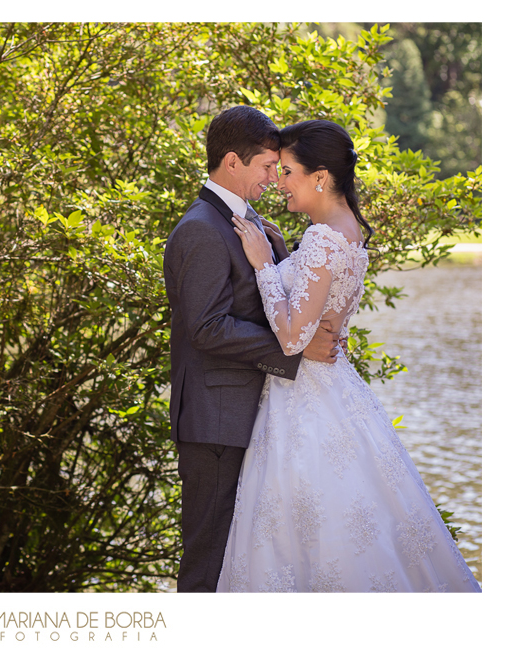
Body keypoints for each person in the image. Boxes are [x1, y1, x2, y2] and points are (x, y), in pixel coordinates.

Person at [217, 119, 481, 592]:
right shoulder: (348, 231)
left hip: (304, 403)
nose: (279, 183)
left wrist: (262, 266)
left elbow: (294, 337)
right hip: (333, 389)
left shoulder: (321, 237)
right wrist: (280, 255)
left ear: (320, 176)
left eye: (289, 173)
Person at [162, 106, 342, 593]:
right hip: (216, 421)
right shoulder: (202, 228)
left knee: (245, 562)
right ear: (232, 162)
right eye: (267, 166)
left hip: (254, 418)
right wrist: (297, 351)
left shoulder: (245, 218)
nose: (274, 177)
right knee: (208, 559)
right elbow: (207, 328)